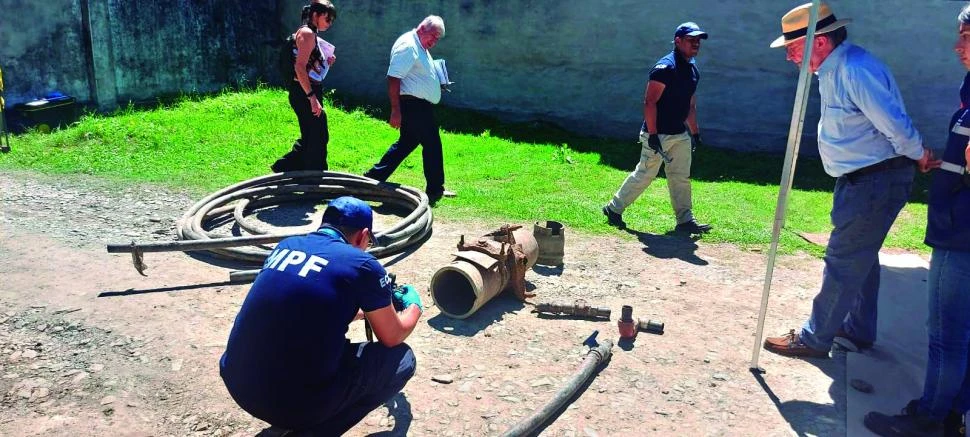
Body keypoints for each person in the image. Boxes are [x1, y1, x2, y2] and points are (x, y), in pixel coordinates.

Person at [762, 3, 938, 359]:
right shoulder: (834, 69)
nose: (790, 57)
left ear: (821, 42)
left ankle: (814, 338)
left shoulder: (855, 70)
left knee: (843, 260)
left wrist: (918, 154)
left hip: (875, 179)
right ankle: (856, 329)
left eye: (794, 47)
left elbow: (894, 122)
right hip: (861, 179)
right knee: (861, 257)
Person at [219, 196, 424, 435]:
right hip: (292, 406)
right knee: (402, 361)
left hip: (240, 384)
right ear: (363, 234)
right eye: (368, 241)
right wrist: (414, 306)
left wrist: (363, 314)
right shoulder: (362, 264)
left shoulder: (287, 246)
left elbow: (310, 308)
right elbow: (393, 336)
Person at [862, 5, 970, 436]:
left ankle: (930, 419)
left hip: (962, 233)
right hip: (956, 222)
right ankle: (950, 413)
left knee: (947, 332)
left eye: (966, 37)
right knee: (959, 331)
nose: (956, 46)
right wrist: (946, 163)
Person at [601, 22, 712, 234]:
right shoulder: (665, 68)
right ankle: (613, 209)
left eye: (698, 40)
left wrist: (695, 132)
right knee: (645, 174)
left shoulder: (692, 68)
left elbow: (690, 104)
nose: (696, 43)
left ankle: (685, 221)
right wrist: (652, 134)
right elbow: (649, 102)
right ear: (678, 41)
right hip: (658, 134)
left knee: (681, 176)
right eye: (691, 39)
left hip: (679, 134)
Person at [363, 16, 456, 203]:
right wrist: (395, 110)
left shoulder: (420, 45)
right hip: (413, 105)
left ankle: (372, 177)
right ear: (422, 28)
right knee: (432, 144)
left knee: (406, 143)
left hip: (418, 105)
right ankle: (435, 189)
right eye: (433, 36)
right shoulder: (408, 46)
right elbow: (393, 78)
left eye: (437, 39)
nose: (434, 42)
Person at [271, 0, 338, 173]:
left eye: (332, 19)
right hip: (304, 93)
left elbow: (309, 67)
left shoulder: (309, 33)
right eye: (327, 18)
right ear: (315, 15)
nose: (330, 23)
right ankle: (314, 176)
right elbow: (299, 67)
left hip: (305, 91)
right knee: (318, 135)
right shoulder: (307, 34)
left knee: (312, 136)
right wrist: (311, 98)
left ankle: (287, 168)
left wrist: (327, 62)